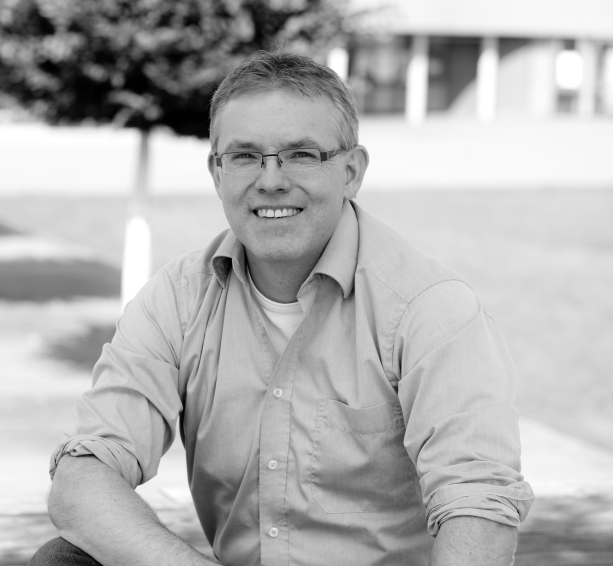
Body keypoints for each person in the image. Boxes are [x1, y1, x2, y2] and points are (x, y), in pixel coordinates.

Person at [29, 51, 534, 566]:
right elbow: (82, 479)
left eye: (301, 154)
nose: (271, 180)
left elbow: (478, 506)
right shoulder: (176, 301)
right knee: (62, 560)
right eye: (246, 156)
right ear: (217, 173)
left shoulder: (431, 309)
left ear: (352, 171)